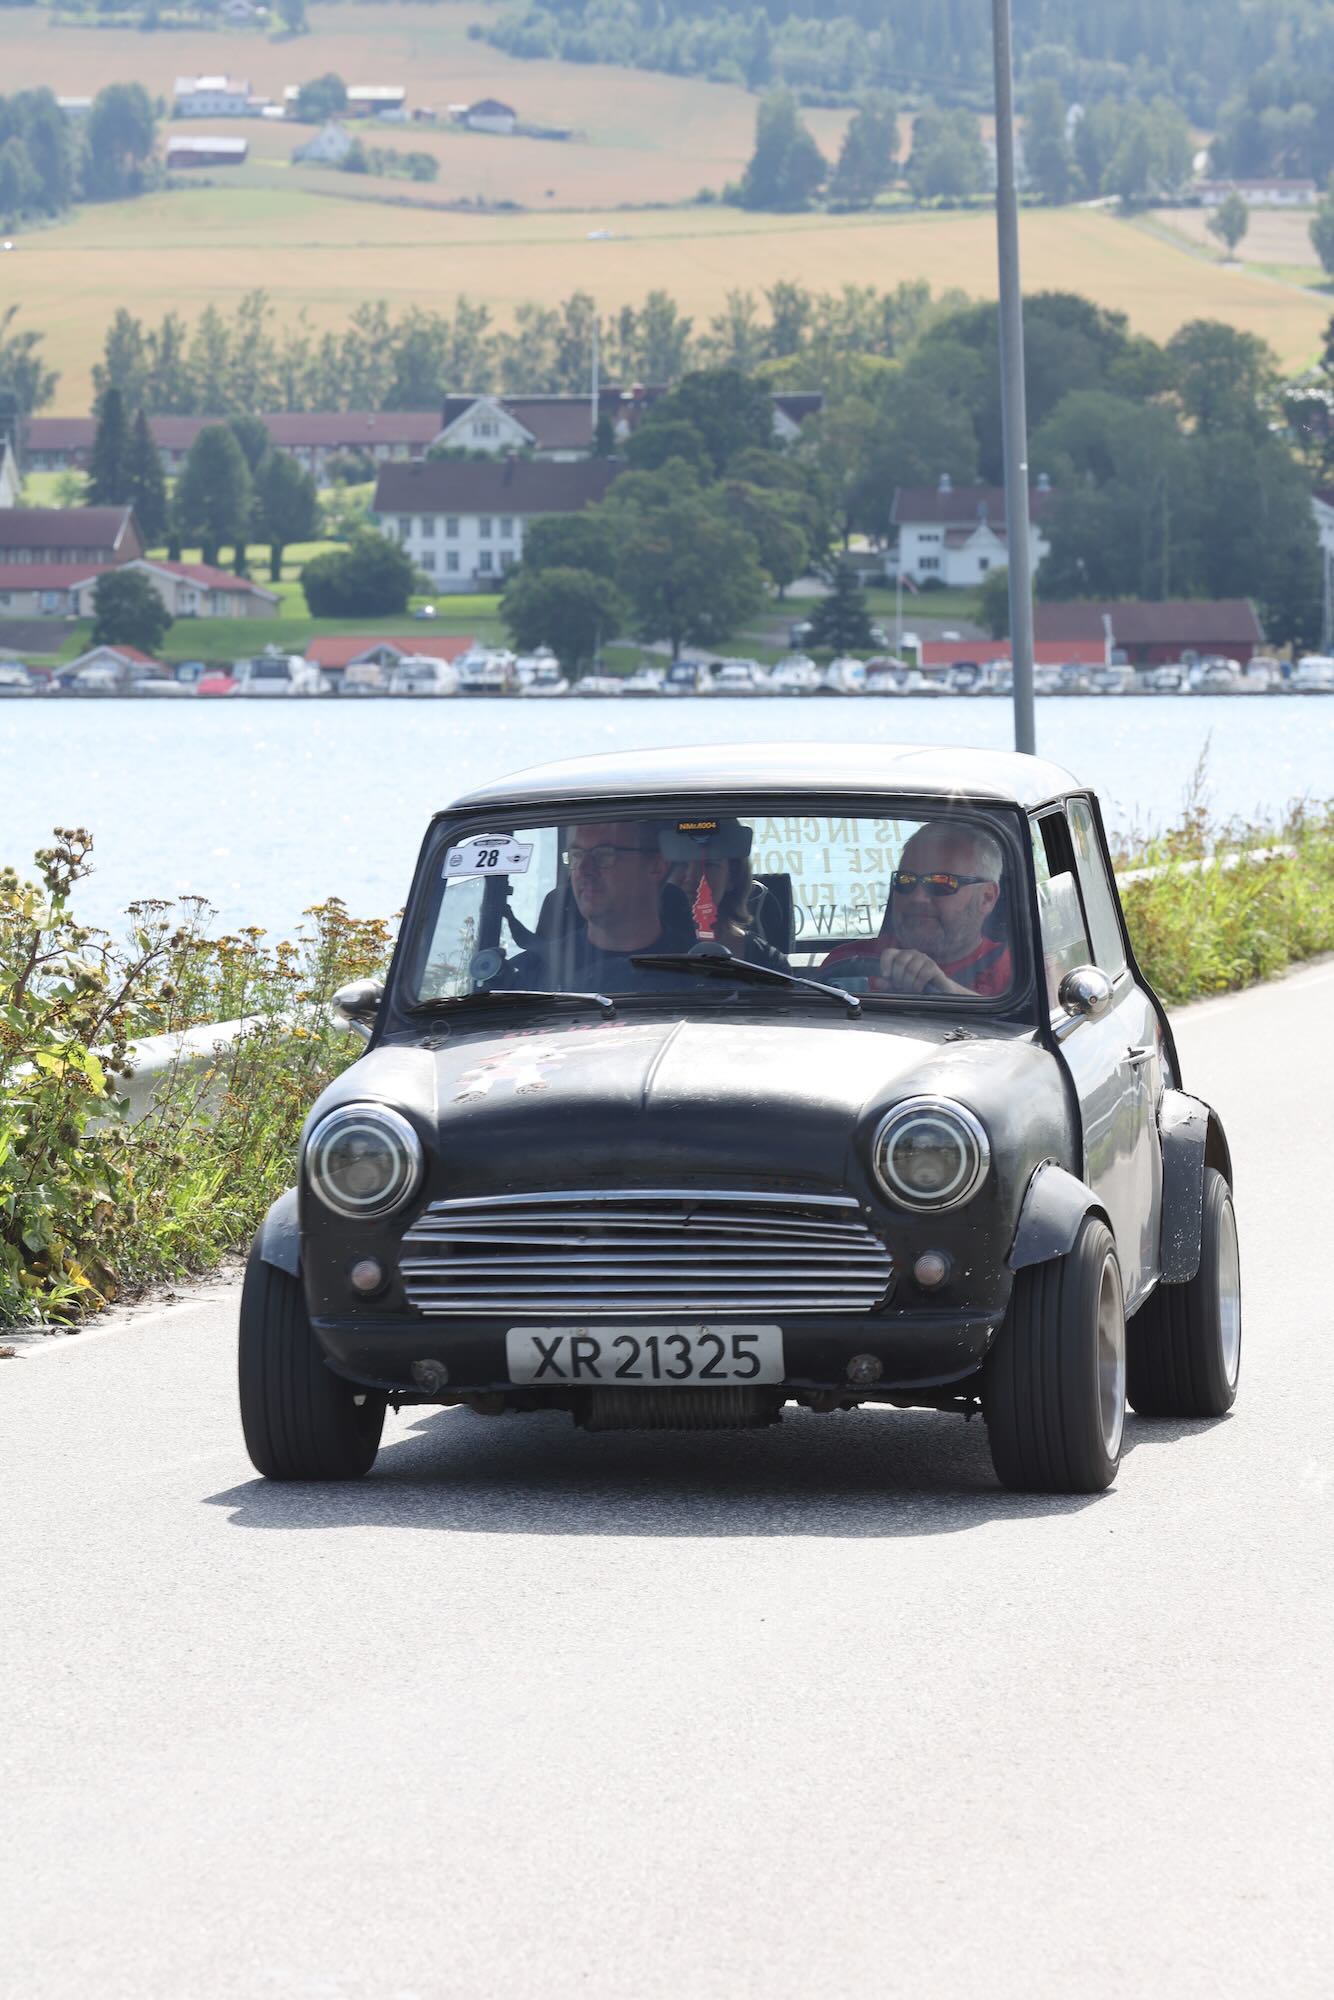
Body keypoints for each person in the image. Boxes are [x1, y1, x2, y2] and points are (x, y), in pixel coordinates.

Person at [821, 819, 1012, 998]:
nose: (917, 897)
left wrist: (947, 992)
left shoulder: (1016, 977)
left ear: (986, 897)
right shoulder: (847, 963)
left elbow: (1013, 1022)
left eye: (941, 883)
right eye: (906, 881)